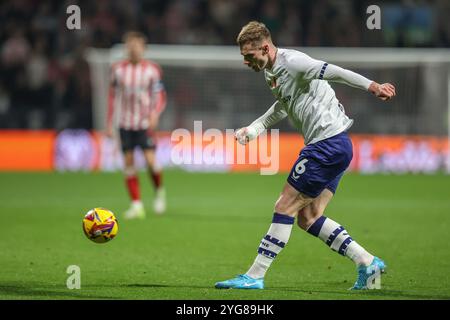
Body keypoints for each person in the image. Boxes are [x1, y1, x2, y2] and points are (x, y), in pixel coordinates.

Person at [215, 21, 396, 290]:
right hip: (337, 145)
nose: (246, 61)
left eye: (249, 56)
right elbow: (284, 104)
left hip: (326, 144)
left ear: (265, 47)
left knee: (284, 205)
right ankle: (367, 261)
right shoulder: (271, 72)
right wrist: (256, 127)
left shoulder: (294, 62)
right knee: (308, 217)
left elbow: (335, 72)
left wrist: (373, 86)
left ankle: (254, 275)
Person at [106, 31, 167, 219]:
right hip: (125, 123)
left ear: (144, 48)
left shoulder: (152, 70)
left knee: (150, 161)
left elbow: (160, 95)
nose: (134, 49)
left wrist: (155, 114)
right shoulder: (117, 69)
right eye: (130, 46)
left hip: (144, 123)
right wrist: (109, 123)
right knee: (129, 163)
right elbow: (112, 97)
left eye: (137, 46)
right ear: (126, 48)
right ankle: (136, 205)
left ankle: (159, 191)